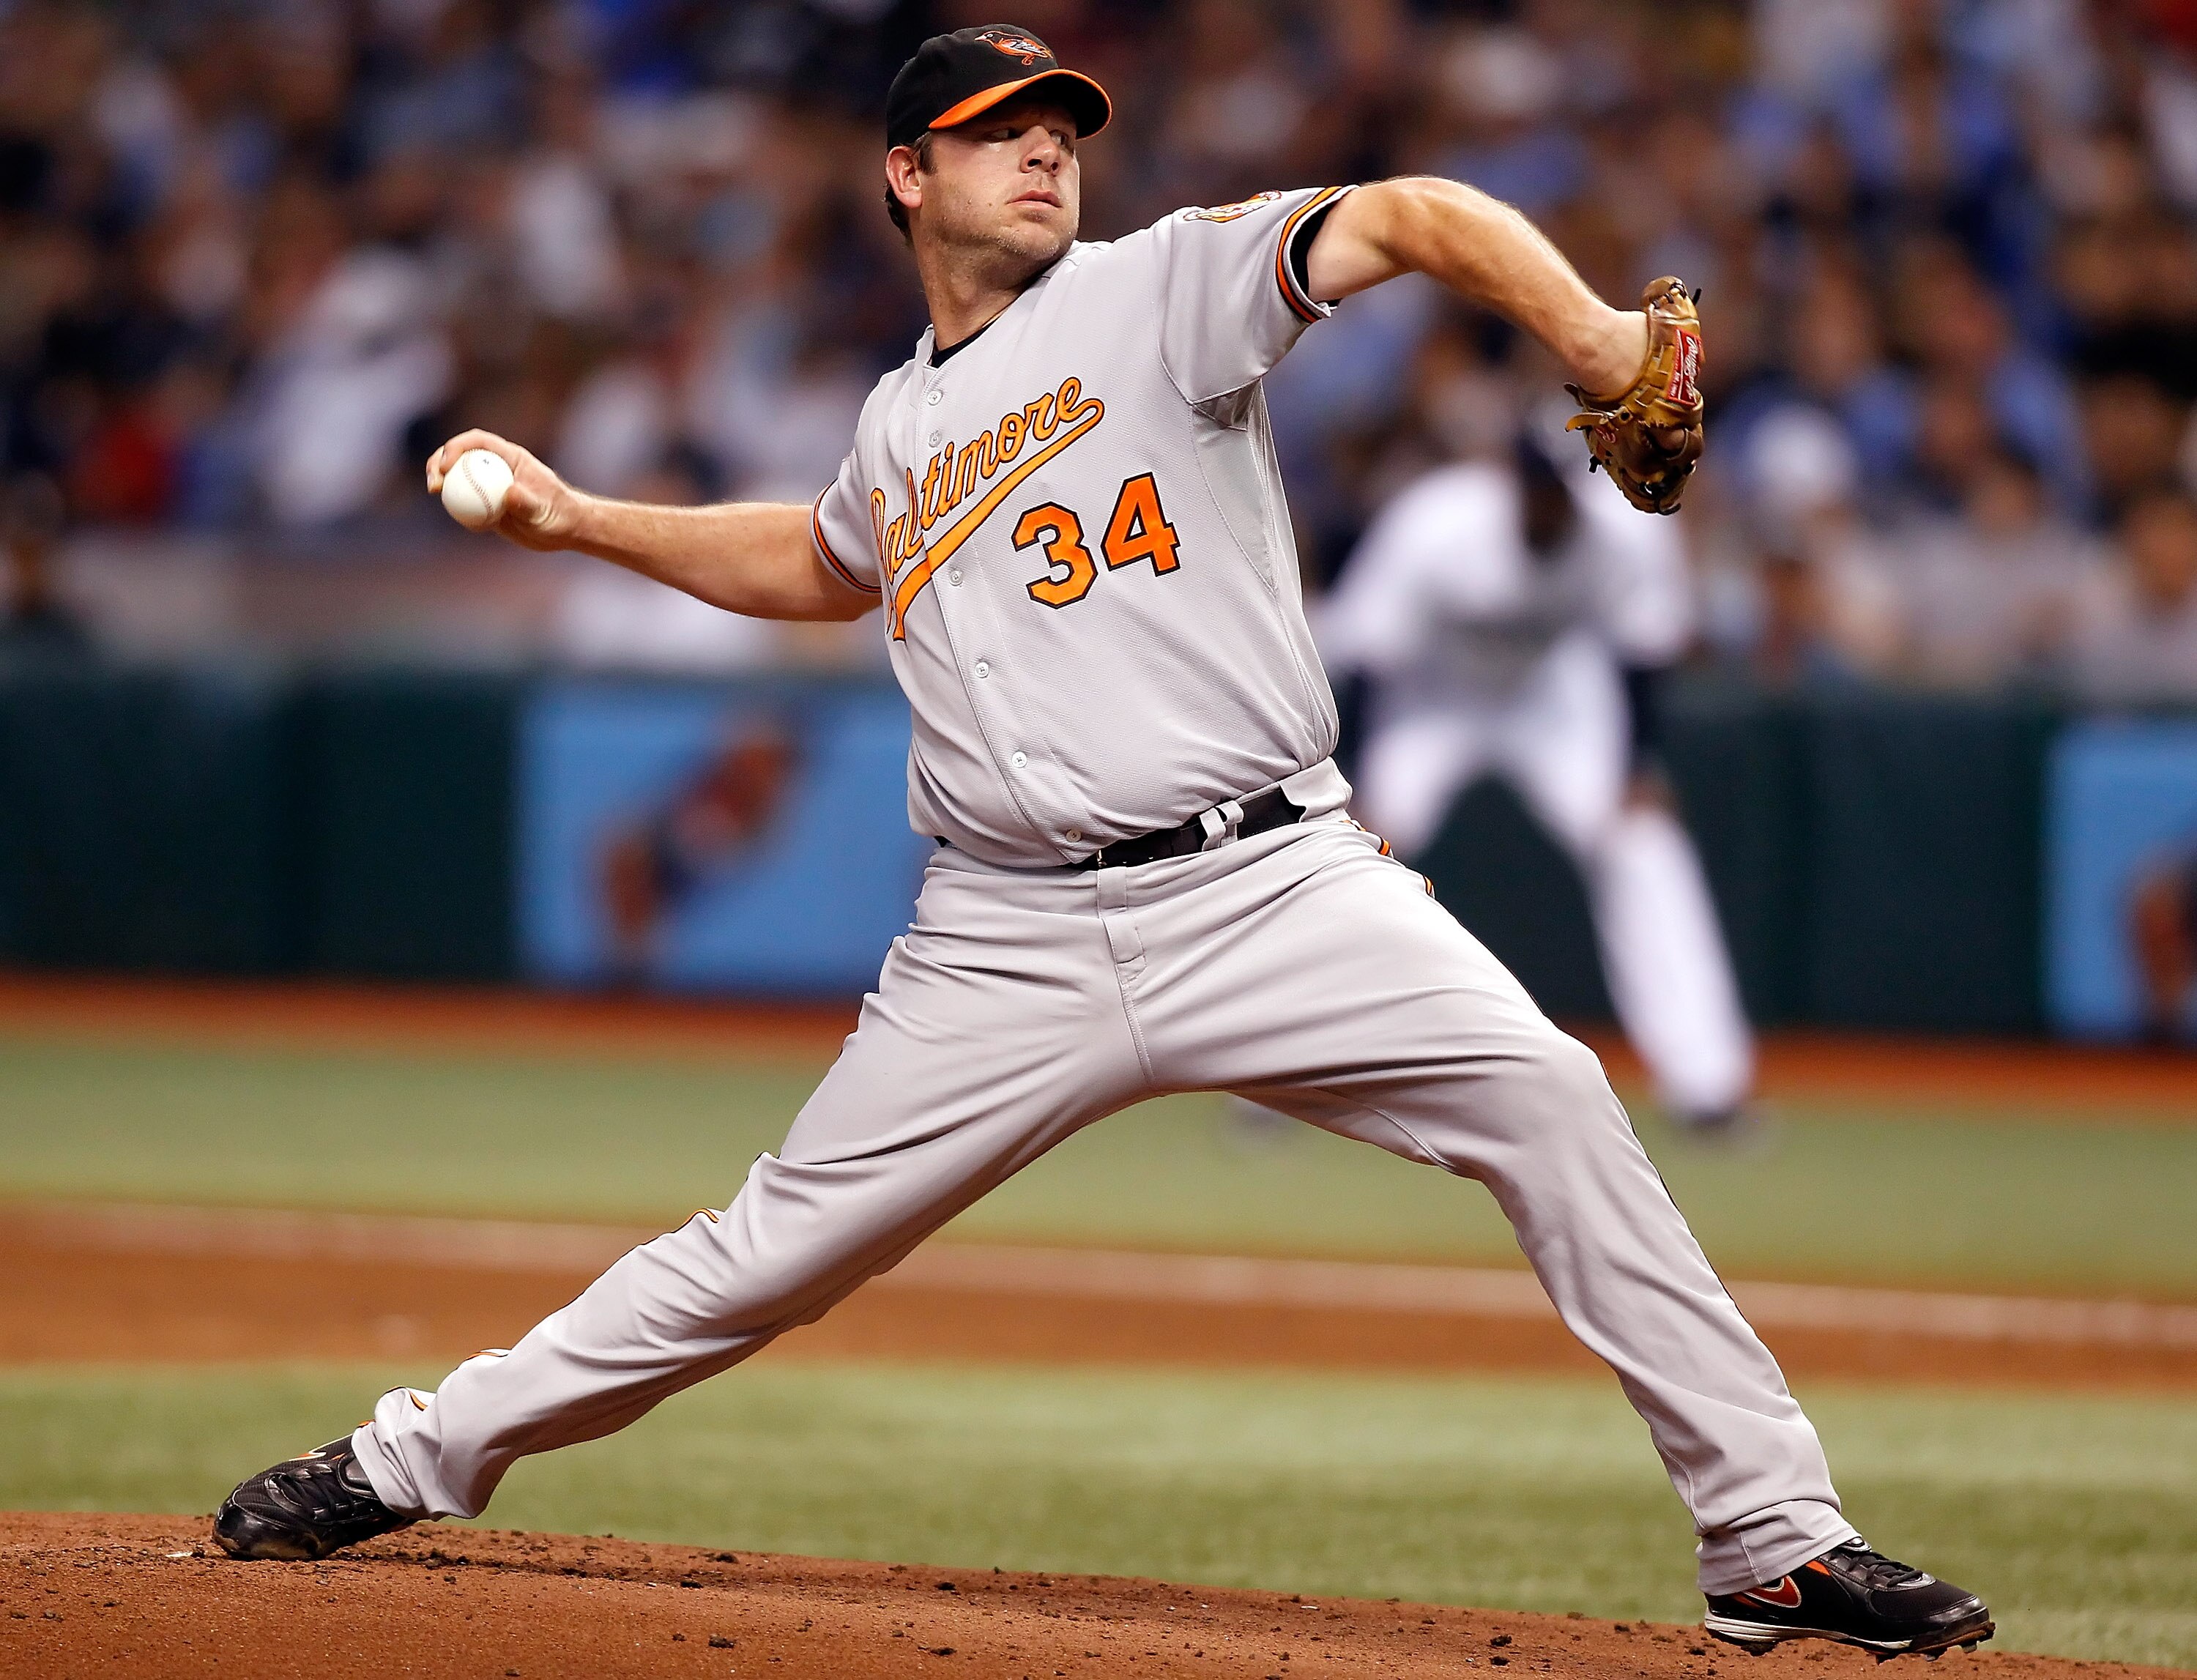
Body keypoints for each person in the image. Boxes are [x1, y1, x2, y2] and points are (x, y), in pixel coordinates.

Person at [212, 25, 1993, 1662]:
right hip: (1004, 938)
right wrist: (580, 518)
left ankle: (1768, 1535)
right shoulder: (897, 422)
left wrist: (1598, 341)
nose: (1046, 155)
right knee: (770, 1251)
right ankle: (406, 1454)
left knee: (1549, 1097)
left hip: (1271, 882)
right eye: (999, 134)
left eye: (1062, 127)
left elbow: (1414, 215)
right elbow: (821, 565)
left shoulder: (1165, 291)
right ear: (908, 172)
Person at [1322, 426, 1758, 1134]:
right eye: (1542, 491)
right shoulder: (1438, 523)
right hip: (1435, 700)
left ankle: (1707, 1085)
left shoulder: (1621, 528)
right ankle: (1280, 1085)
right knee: (1345, 855)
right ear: (1512, 485)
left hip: (1552, 701)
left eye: (1566, 492)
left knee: (1642, 843)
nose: (1554, 506)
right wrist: (1359, 779)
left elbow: (1643, 652)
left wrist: (1638, 768)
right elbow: (1369, 655)